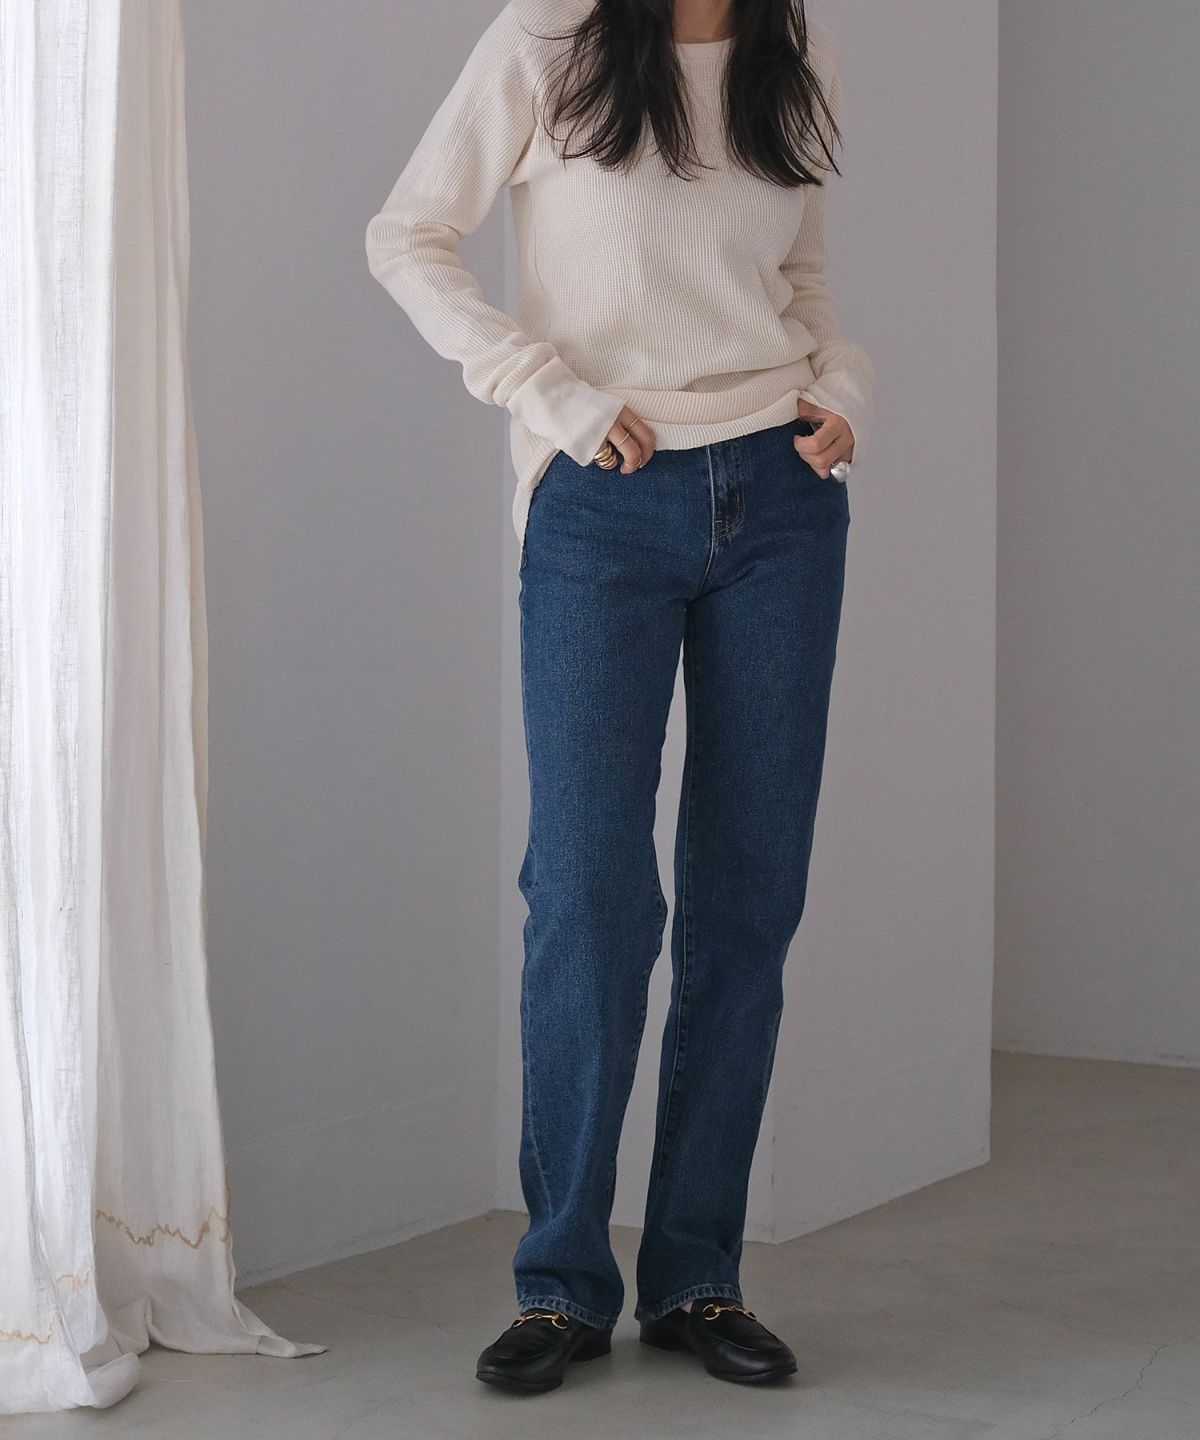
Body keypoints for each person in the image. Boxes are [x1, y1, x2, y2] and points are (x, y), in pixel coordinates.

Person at [364, 0, 874, 1394]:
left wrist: (843, 389)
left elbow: (801, 272)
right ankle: (561, 1284)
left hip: (783, 496)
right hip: (603, 497)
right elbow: (406, 234)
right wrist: (546, 390)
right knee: (589, 895)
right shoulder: (549, 38)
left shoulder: (795, 44)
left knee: (750, 895)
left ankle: (699, 1275)